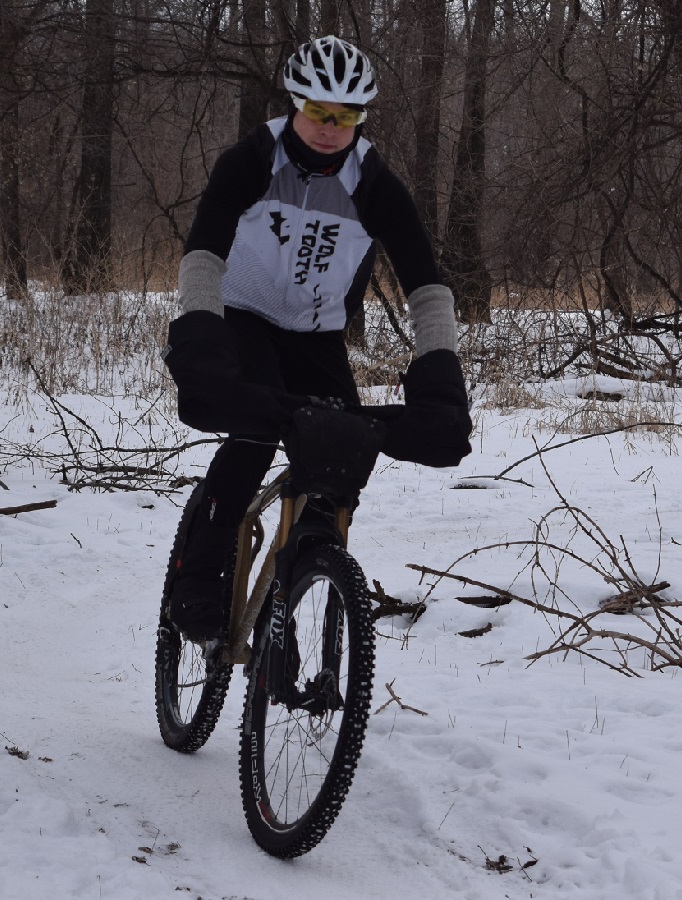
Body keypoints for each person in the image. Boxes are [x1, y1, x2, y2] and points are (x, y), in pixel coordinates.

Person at [162, 36, 471, 641]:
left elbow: (426, 287)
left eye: (346, 117)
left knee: (339, 455)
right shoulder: (251, 160)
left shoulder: (374, 183)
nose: (331, 129)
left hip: (318, 334)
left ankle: (304, 579)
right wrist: (201, 335)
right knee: (253, 436)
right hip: (244, 317)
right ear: (295, 103)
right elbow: (203, 255)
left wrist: (441, 372)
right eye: (319, 113)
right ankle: (199, 574)